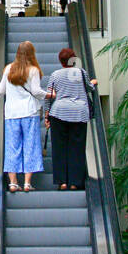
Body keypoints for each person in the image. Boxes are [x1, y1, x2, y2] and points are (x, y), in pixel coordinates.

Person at [0, 41, 46, 192]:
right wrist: (49, 94)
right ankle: (27, 183)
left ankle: (13, 182)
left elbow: (1, 91)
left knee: (12, 147)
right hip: (29, 113)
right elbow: (37, 91)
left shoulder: (8, 68)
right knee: (31, 146)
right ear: (32, 53)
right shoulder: (33, 70)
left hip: (12, 115)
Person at [44, 47, 97, 190]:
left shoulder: (55, 75)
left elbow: (48, 96)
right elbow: (89, 88)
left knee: (59, 148)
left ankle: (62, 182)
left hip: (59, 112)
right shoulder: (81, 72)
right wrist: (93, 83)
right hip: (79, 113)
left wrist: (46, 114)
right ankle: (75, 182)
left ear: (60, 61)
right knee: (77, 148)